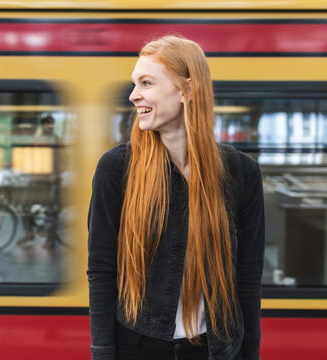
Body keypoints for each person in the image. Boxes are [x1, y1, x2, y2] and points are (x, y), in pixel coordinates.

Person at [87, 35, 265, 360]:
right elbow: (101, 271)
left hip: (216, 350)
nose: (133, 95)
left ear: (189, 90)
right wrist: (102, 353)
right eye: (134, 83)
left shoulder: (242, 173)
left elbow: (248, 281)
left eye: (147, 82)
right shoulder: (116, 168)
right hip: (137, 348)